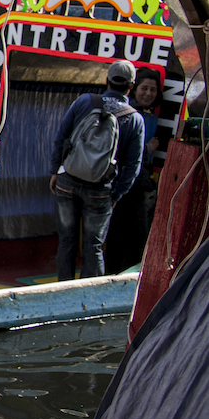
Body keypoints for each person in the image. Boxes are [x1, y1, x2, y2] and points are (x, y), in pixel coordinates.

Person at [50, 59, 145, 281]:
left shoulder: (84, 102)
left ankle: (63, 289)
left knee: (66, 241)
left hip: (68, 181)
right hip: (101, 189)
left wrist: (56, 170)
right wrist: (116, 194)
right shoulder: (135, 119)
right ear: (131, 86)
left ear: (107, 80)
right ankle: (88, 296)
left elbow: (61, 137)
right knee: (93, 246)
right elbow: (133, 166)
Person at [104, 67, 162, 274]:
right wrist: (148, 149)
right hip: (125, 182)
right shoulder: (131, 116)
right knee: (127, 234)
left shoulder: (152, 116)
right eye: (144, 88)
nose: (148, 94)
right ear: (133, 89)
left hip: (137, 183)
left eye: (153, 90)